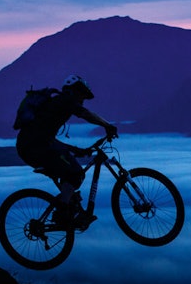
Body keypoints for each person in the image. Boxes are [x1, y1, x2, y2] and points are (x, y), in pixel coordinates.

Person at [15, 74, 118, 228]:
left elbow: (48, 139)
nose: (82, 100)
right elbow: (85, 114)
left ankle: (69, 209)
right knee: (76, 173)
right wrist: (107, 125)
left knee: (70, 174)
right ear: (74, 90)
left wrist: (77, 150)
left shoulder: (57, 104)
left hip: (32, 146)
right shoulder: (65, 100)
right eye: (82, 95)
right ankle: (62, 213)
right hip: (35, 147)